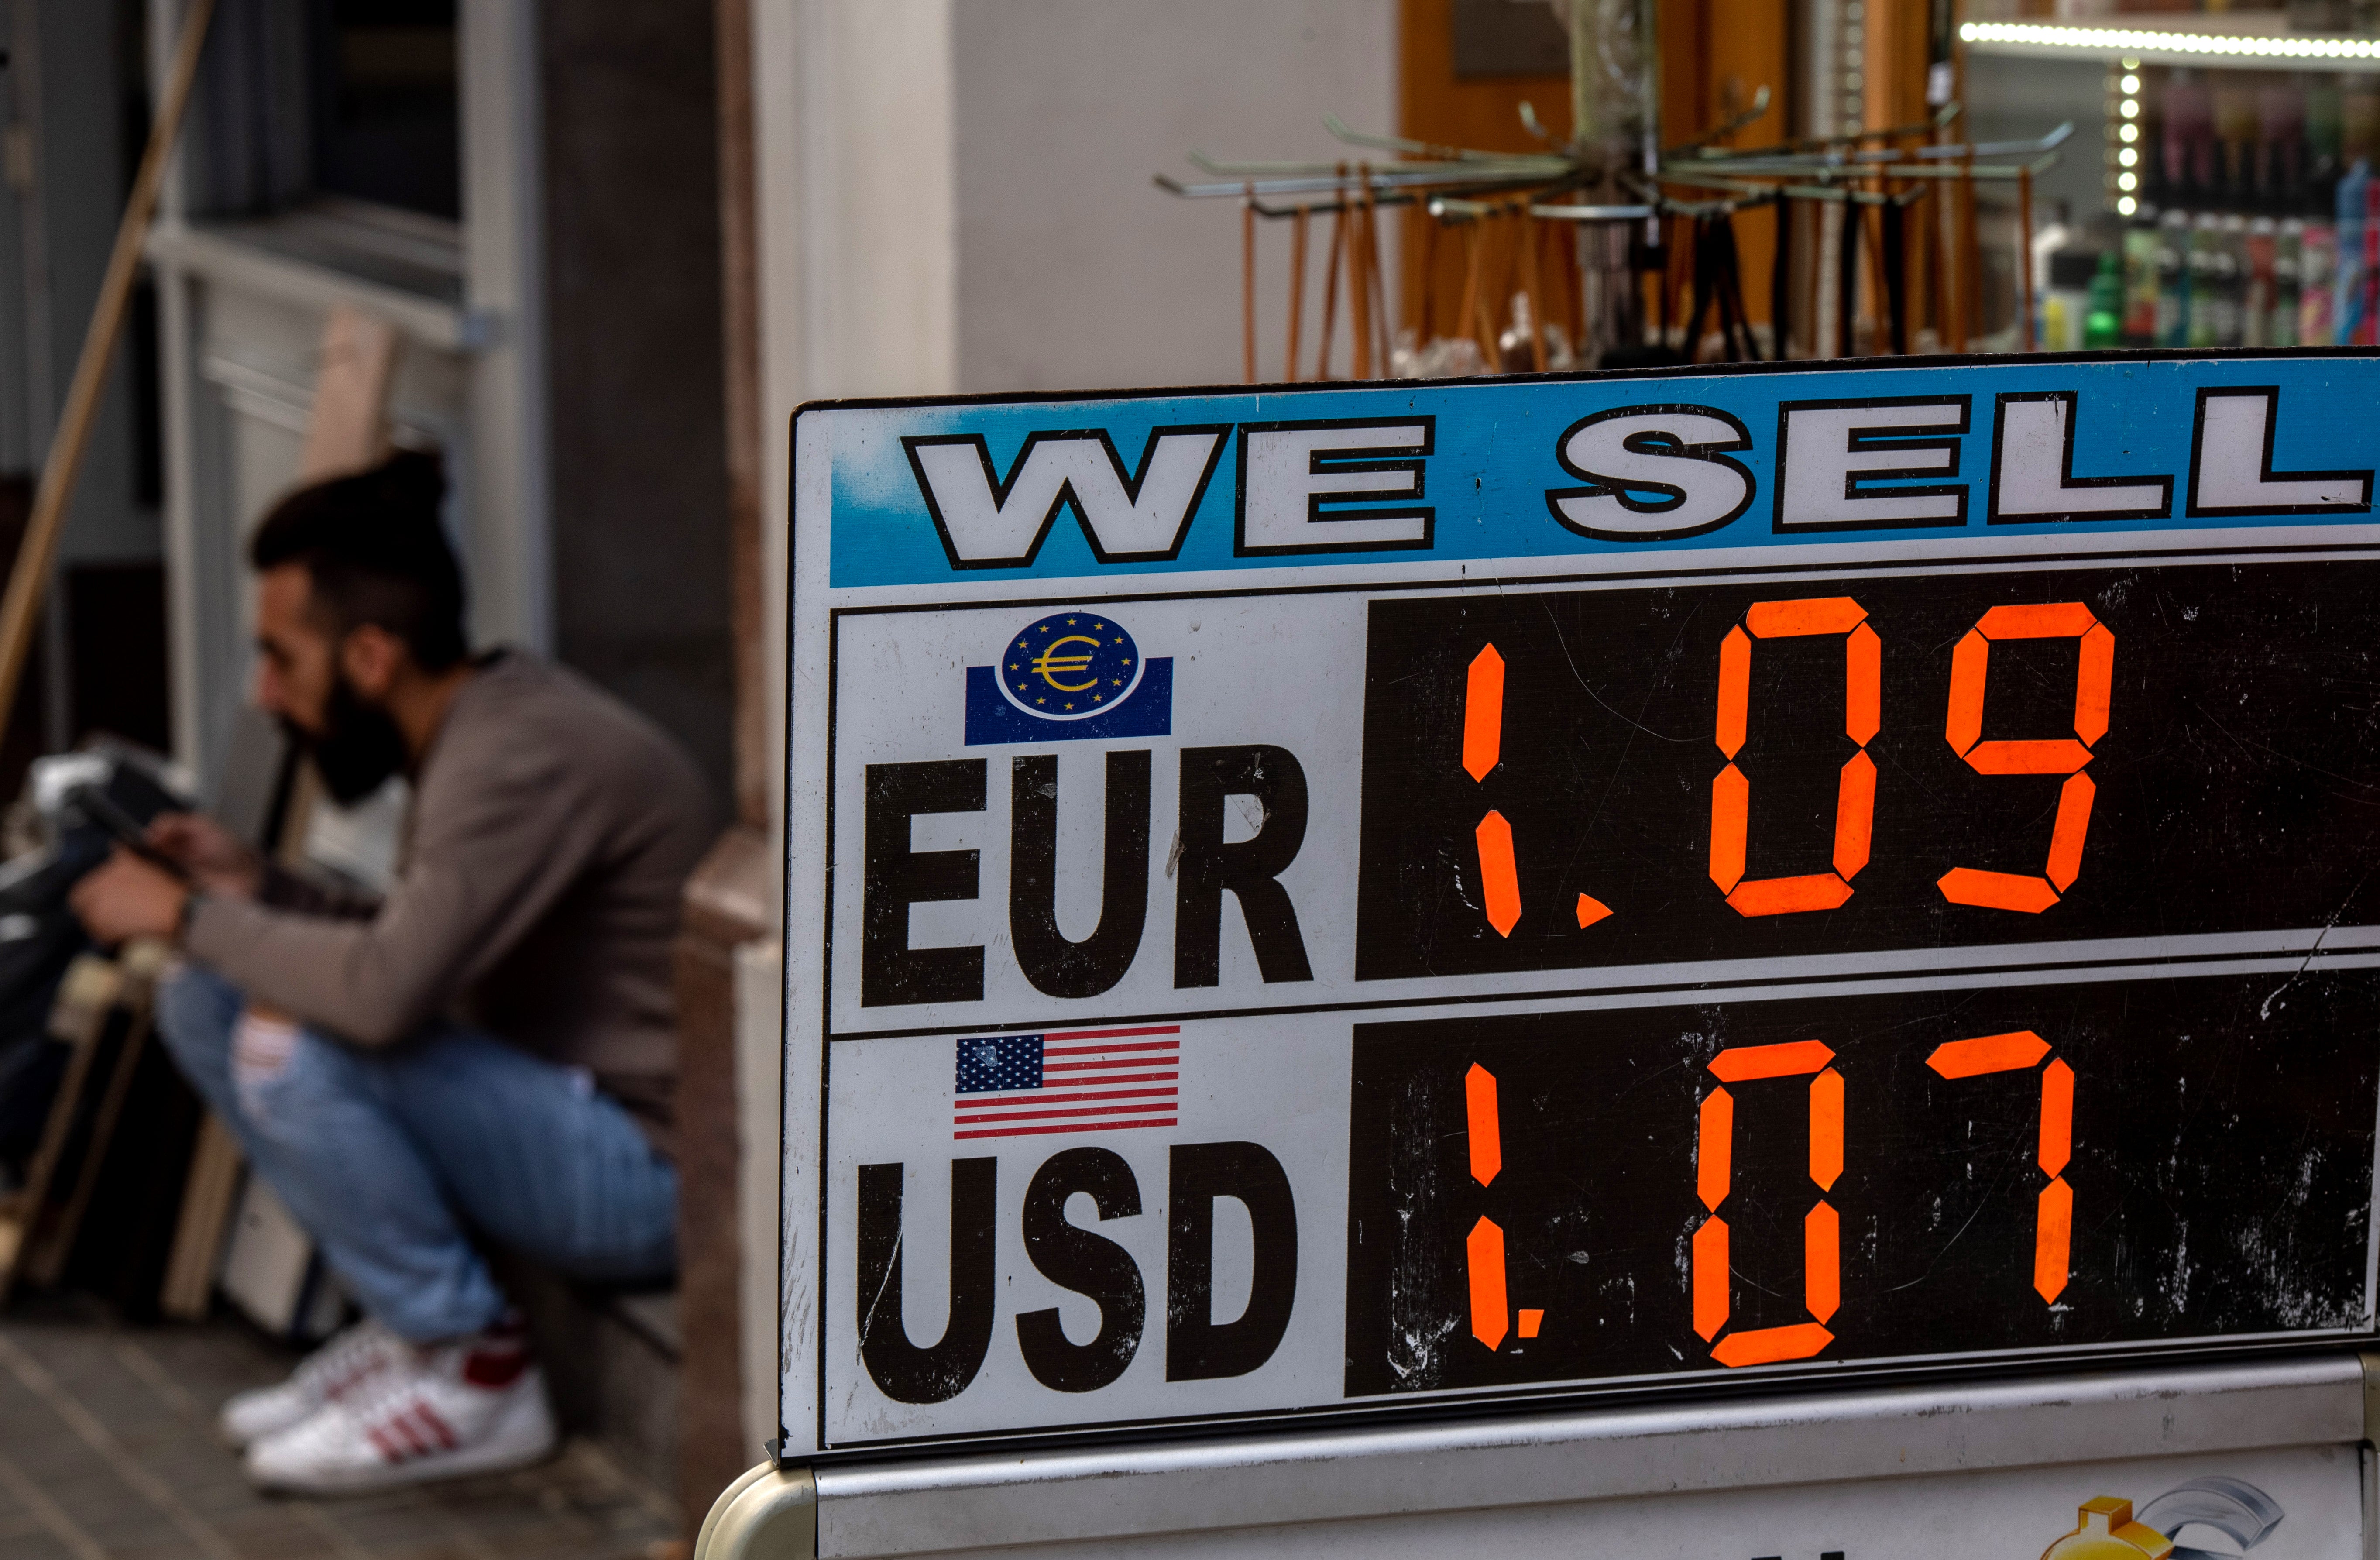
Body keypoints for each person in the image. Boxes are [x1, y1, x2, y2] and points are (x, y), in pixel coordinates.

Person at [70, 452, 713, 1493]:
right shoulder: (485, 725)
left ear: (370, 656)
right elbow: (418, 946)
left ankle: (472, 1361)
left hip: (649, 1174)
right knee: (208, 992)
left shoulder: (513, 754)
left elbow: (382, 991)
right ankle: (418, 1333)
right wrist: (256, 886)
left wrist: (191, 912)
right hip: (564, 1108)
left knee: (283, 1029)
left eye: (281, 658)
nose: (266, 692)